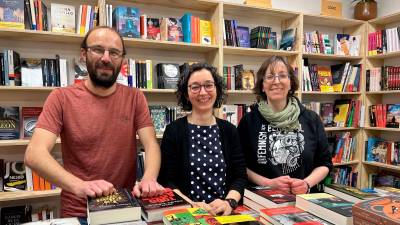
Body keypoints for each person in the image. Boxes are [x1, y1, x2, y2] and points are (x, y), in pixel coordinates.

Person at [24, 26, 164, 221]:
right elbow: (34, 154)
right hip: (79, 212)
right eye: (98, 49)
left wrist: (149, 177)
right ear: (84, 54)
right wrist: (80, 186)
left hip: (125, 208)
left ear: (122, 60)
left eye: (114, 52)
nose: (106, 58)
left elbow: (151, 145)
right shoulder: (61, 98)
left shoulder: (135, 97)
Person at [158, 63, 247, 216]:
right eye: (195, 87)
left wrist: (229, 202)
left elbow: (240, 176)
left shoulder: (229, 130)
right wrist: (190, 204)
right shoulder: (174, 131)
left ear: (217, 89)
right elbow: (166, 180)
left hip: (224, 213)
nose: (203, 92)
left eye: (208, 85)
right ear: (186, 93)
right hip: (187, 211)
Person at [237, 56, 332, 195]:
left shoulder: (311, 119)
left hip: (303, 199)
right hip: (262, 199)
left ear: (290, 83)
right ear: (262, 85)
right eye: (269, 76)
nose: (276, 81)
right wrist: (268, 183)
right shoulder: (248, 122)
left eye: (282, 76)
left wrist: (306, 183)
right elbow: (240, 166)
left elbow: (325, 163)